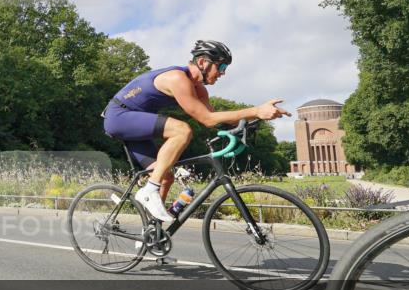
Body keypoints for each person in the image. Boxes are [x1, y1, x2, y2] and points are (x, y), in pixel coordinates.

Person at [102, 40, 290, 222]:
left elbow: (215, 119)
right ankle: (149, 190)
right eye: (221, 68)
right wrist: (256, 110)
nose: (222, 74)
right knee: (182, 130)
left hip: (137, 123)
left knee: (166, 177)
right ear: (202, 62)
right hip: (119, 117)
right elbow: (206, 120)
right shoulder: (178, 78)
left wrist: (250, 121)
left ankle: (151, 232)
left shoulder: (200, 90)